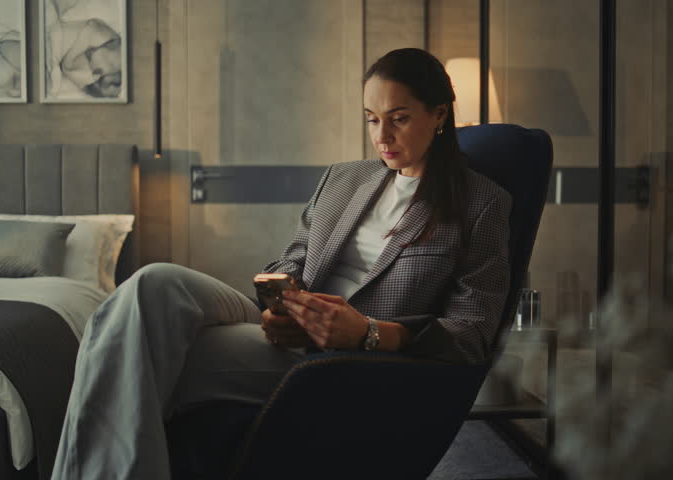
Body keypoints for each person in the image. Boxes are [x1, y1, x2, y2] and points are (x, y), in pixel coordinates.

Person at [51, 47, 512, 480]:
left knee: (125, 349)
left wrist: (368, 332)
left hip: (352, 361)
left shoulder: (481, 204)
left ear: (439, 115)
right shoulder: (344, 178)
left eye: (399, 118)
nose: (381, 136)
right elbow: (292, 260)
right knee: (152, 284)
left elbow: (471, 335)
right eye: (372, 119)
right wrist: (280, 305)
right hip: (288, 331)